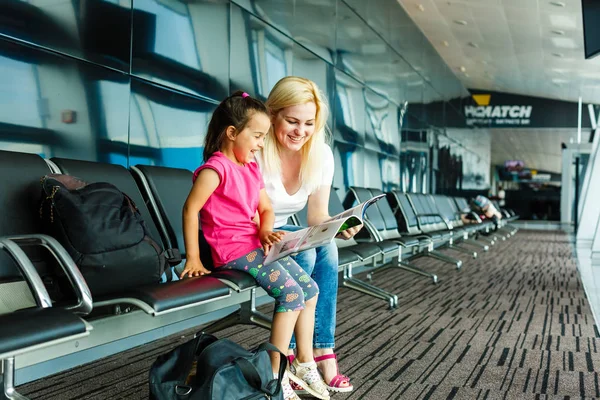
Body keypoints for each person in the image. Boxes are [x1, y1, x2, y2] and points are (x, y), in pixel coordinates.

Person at [181, 91, 330, 400]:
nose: (262, 144)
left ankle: (303, 362)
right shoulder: (216, 169)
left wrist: (265, 231)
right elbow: (190, 209)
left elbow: (266, 209)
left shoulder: (250, 168)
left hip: (255, 245)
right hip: (233, 251)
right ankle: (274, 375)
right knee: (291, 295)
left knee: (310, 290)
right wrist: (193, 257)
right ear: (232, 133)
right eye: (258, 136)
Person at [256, 76, 359, 394]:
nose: (300, 131)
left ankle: (318, 351)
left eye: (309, 123)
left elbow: (316, 216)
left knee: (327, 246)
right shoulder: (257, 147)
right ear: (272, 114)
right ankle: (292, 357)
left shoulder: (320, 154)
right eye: (292, 121)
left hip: (283, 233)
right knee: (310, 250)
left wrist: (340, 226)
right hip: (252, 233)